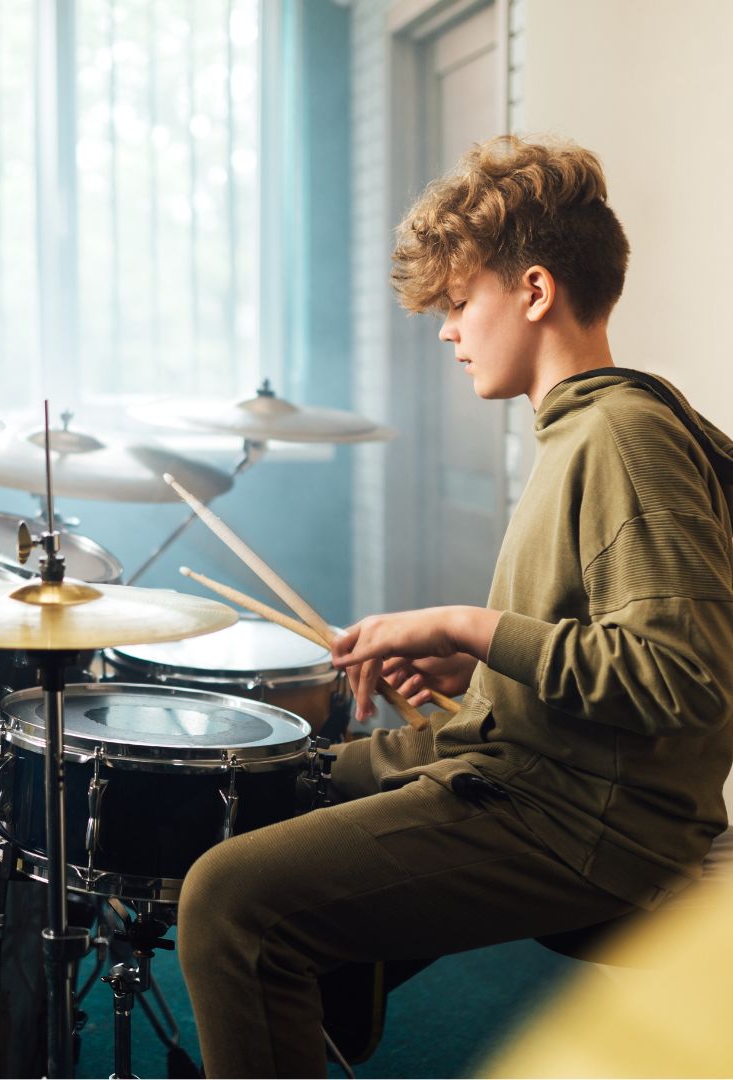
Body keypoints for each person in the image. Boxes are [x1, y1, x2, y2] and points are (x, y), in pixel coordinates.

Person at [176, 134, 733, 1078]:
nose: (446, 329)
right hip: (544, 774)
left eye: (460, 300)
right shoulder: (587, 430)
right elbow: (605, 644)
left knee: (228, 898)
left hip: (587, 822)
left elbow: (686, 677)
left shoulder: (621, 436)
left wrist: (465, 624)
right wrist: (486, 671)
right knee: (285, 786)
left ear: (535, 291)